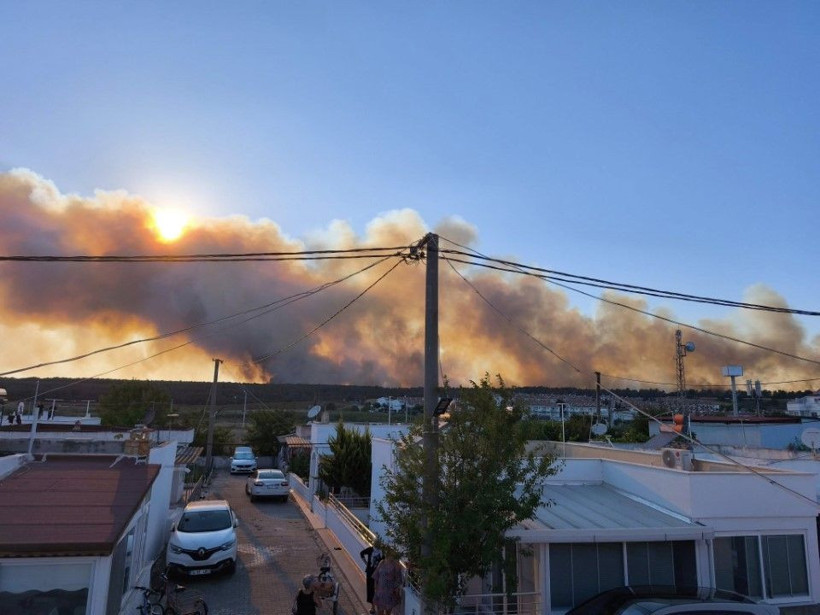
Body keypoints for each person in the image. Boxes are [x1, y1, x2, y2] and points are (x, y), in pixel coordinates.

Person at [372, 549, 403, 615]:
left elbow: (398, 579)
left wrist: (394, 589)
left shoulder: (395, 565)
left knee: (388, 613)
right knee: (380, 612)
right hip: (380, 591)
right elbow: (376, 574)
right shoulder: (382, 562)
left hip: (389, 592)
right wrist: (375, 586)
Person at [360, 544, 383, 613]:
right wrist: (366, 563)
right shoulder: (371, 549)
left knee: (378, 590)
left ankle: (379, 607)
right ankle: (373, 607)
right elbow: (361, 553)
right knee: (371, 590)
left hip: (379, 573)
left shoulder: (382, 552)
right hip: (371, 572)